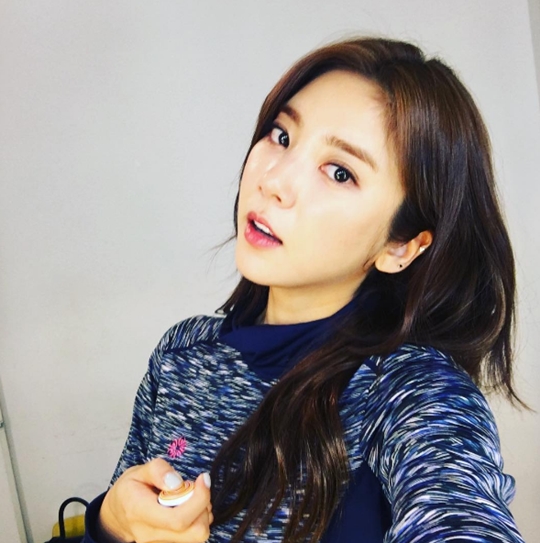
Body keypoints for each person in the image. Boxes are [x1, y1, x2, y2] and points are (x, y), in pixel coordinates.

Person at [82, 37, 526, 543]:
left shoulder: (409, 392)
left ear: (401, 245)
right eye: (282, 135)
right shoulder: (181, 356)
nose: (274, 182)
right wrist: (109, 523)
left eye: (340, 173)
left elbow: (462, 518)